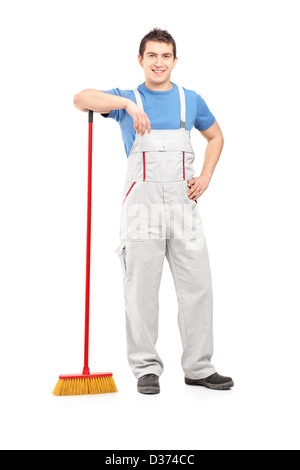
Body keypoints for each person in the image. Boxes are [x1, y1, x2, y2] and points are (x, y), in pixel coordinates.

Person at [73, 28, 234, 394]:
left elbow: (216, 136)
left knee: (198, 288)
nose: (159, 62)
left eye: (166, 56)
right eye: (152, 56)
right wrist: (128, 106)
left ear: (174, 61)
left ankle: (198, 367)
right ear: (141, 60)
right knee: (140, 290)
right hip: (141, 209)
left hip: (183, 207)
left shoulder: (190, 100)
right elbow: (80, 99)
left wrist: (206, 175)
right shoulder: (125, 99)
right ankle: (147, 368)